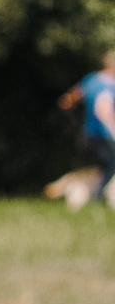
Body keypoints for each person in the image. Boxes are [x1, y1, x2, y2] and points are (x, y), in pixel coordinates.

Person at [61, 48, 115, 206]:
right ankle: (99, 197)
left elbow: (67, 100)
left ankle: (98, 196)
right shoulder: (110, 85)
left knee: (106, 166)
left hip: (88, 134)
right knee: (112, 165)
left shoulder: (91, 80)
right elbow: (103, 110)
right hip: (105, 134)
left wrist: (75, 119)